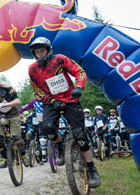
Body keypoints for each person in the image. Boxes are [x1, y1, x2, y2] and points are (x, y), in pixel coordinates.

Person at [29, 37, 100, 188]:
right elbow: (37, 90)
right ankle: (60, 147)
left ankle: (92, 167)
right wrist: (52, 101)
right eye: (37, 52)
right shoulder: (32, 69)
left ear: (48, 50)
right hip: (52, 102)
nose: (40, 54)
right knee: (47, 128)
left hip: (71, 100)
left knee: (79, 134)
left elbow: (79, 72)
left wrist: (79, 87)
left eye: (42, 51)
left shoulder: (60, 59)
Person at [0, 69, 27, 169]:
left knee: (16, 138)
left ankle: (23, 154)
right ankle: (5, 158)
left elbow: (18, 101)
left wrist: (6, 104)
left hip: (13, 115)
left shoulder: (6, 87)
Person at [19, 94, 47, 163]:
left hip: (45, 119)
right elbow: (26, 106)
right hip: (36, 119)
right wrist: (19, 111)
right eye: (36, 95)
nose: (38, 96)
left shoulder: (46, 100)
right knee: (31, 127)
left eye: (39, 94)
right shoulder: (33, 101)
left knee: (42, 139)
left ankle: (42, 156)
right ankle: (30, 133)